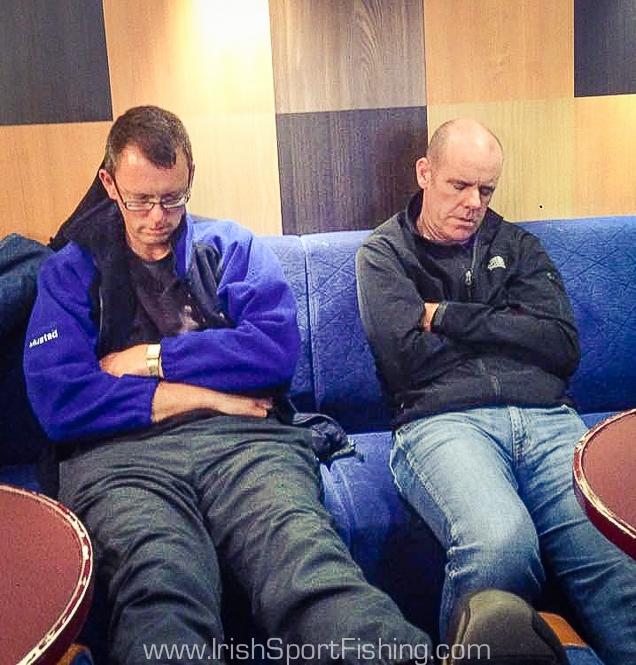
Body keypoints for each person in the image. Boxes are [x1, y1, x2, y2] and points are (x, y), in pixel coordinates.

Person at [24, 105, 437, 665]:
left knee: (308, 568)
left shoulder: (230, 246)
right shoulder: (71, 269)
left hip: (246, 444)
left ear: (190, 178)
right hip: (120, 459)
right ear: (109, 183)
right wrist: (207, 394)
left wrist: (152, 359)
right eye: (140, 200)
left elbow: (274, 353)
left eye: (172, 198)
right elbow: (61, 400)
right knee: (159, 585)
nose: (157, 217)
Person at [355, 118, 636, 664]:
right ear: (425, 173)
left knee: (617, 557)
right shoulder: (384, 254)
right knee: (501, 544)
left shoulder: (517, 245)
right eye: (459, 185)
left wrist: (448, 317)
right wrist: (511, 327)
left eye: (486, 190)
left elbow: (561, 346)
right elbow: (407, 362)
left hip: (548, 418)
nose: (473, 204)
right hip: (442, 422)